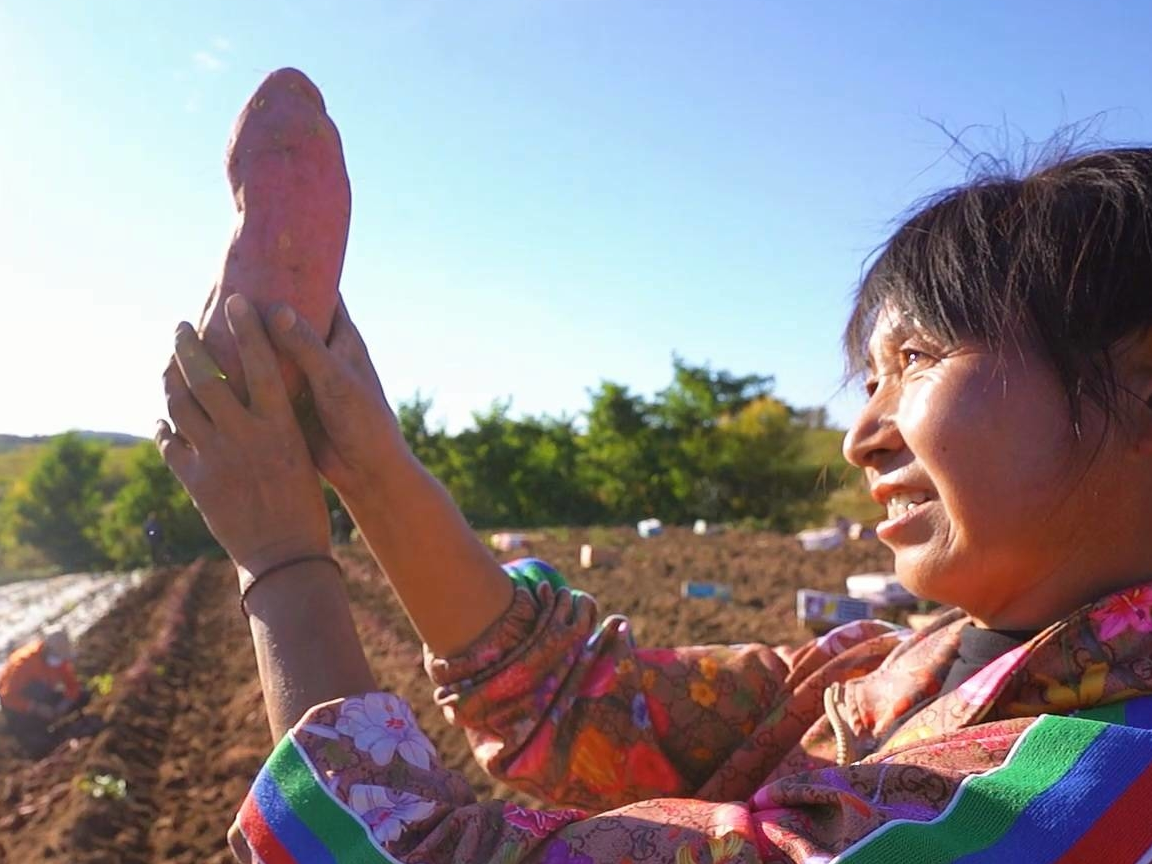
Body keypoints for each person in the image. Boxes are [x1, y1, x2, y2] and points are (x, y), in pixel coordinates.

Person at [159, 147, 1152, 863]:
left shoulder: (1085, 801)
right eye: (868, 381)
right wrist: (366, 460)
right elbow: (589, 703)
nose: (862, 434)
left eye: (920, 359)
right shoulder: (898, 667)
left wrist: (282, 559)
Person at [0, 629, 90, 758]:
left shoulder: (59, 659)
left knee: (83, 696)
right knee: (40, 746)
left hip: (44, 695)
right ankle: (24, 730)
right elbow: (7, 697)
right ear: (47, 649)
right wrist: (36, 708)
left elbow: (72, 686)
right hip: (19, 707)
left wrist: (63, 705)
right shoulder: (23, 663)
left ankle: (48, 723)